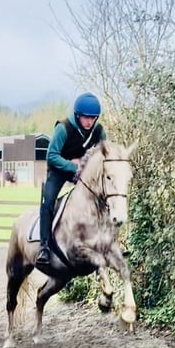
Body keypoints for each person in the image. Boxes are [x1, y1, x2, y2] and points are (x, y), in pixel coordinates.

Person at [36, 92, 107, 266]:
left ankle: (107, 241)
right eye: (86, 118)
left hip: (83, 173)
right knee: (48, 202)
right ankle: (44, 247)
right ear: (77, 115)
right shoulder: (63, 128)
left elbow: (104, 154)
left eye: (93, 118)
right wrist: (74, 166)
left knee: (104, 197)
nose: (90, 122)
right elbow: (51, 155)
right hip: (59, 170)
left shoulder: (98, 131)